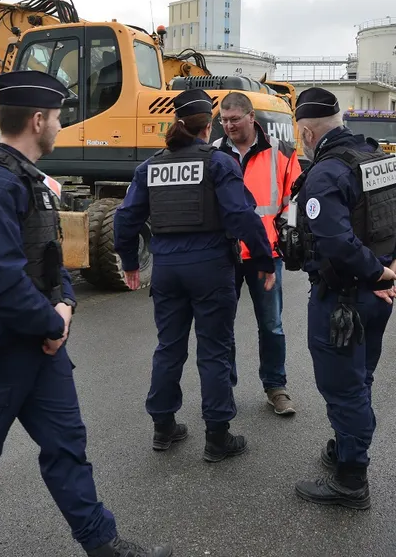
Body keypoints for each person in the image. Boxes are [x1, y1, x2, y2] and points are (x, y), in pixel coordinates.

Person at [0, 70, 170, 557]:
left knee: (67, 445)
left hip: (41, 346)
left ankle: (102, 543)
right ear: (36, 119)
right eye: (57, 118)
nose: (60, 126)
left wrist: (65, 302)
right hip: (0, 348)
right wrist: (53, 324)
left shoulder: (32, 183)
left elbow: (50, 257)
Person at [113, 88, 277, 463]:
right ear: (209, 127)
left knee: (169, 348)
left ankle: (163, 427)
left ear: (178, 123)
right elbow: (241, 216)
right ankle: (217, 438)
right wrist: (265, 260)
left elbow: (125, 218)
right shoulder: (218, 163)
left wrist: (130, 262)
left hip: (167, 269)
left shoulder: (150, 166)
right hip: (211, 267)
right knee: (214, 351)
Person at [279, 87, 396, 508]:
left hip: (343, 299)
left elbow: (336, 242)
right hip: (378, 297)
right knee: (359, 377)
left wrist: (381, 271)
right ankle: (345, 446)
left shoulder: (327, 173)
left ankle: (351, 480)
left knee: (343, 387)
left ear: (306, 134)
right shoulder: (382, 160)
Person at [213, 91, 303, 416]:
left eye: (234, 119)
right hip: (226, 256)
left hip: (267, 254)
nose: (228, 126)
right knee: (223, 326)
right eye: (223, 120)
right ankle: (224, 390)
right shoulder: (213, 154)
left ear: (252, 117)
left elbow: (295, 199)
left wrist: (286, 233)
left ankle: (276, 388)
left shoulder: (282, 152)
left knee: (272, 325)